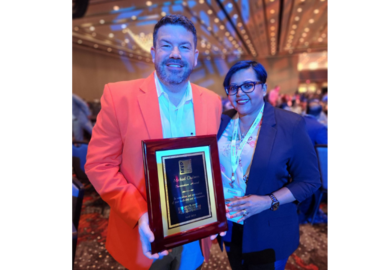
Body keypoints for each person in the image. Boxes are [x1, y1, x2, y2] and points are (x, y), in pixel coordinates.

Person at [85, 15, 223, 270]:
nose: (175, 54)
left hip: (196, 232)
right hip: (142, 234)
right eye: (166, 45)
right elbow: (99, 165)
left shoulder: (213, 102)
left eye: (184, 47)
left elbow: (209, 165)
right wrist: (139, 213)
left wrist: (216, 208)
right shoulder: (119, 97)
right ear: (153, 52)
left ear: (195, 56)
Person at [216, 60, 321, 270]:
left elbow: (310, 180)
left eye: (248, 85)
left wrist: (267, 200)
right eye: (233, 88)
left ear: (263, 88)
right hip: (229, 226)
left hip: (267, 228)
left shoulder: (289, 124)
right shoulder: (222, 122)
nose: (239, 93)